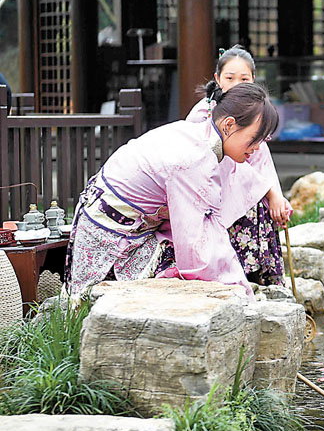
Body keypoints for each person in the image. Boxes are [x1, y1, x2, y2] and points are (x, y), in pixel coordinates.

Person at [64, 83, 279, 298]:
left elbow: (244, 182)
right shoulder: (193, 159)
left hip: (118, 222)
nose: (258, 147)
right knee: (197, 267)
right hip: (110, 239)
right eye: (255, 138)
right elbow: (194, 243)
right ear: (229, 124)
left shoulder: (201, 135)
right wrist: (237, 287)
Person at [187, 45, 291, 286]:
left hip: (252, 196)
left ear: (253, 79)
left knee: (261, 205)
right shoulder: (204, 112)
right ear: (217, 79)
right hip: (215, 193)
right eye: (229, 78)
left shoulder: (258, 113)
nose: (236, 84)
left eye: (244, 79)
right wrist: (268, 190)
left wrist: (276, 196)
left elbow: (263, 161)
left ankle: (261, 282)